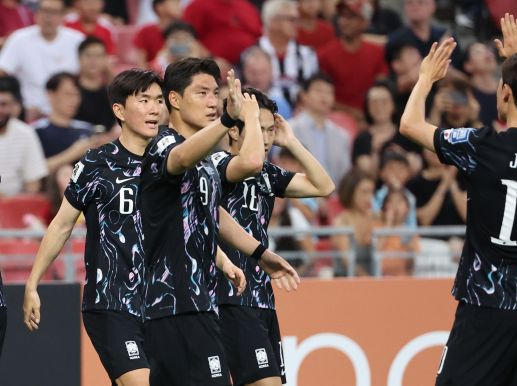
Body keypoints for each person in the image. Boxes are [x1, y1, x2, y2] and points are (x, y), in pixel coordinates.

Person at [399, 14, 517, 385]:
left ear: (506, 92)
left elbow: (410, 125)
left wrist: (425, 78)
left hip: (487, 308)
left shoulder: (483, 147)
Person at [139, 58, 299, 385]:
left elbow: (212, 213)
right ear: (175, 100)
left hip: (201, 302)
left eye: (215, 93)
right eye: (201, 93)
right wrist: (235, 118)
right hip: (171, 303)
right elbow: (186, 159)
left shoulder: (207, 165)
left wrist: (259, 253)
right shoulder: (164, 144)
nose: (212, 101)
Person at [23, 69, 173, 386]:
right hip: (111, 302)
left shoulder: (172, 163)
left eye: (159, 100)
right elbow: (62, 224)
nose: (154, 109)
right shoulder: (96, 164)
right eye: (144, 100)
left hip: (165, 303)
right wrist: (32, 282)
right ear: (119, 110)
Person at [212, 87, 333, 386]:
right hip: (230, 295)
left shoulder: (268, 174)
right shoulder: (216, 166)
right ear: (233, 132)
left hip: (263, 299)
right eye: (257, 128)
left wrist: (291, 142)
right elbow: (246, 164)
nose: (265, 138)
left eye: (269, 130)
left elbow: (324, 186)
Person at [0, 0, 85, 120]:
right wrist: (17, 106)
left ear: (63, 15)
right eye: (44, 11)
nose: (48, 17)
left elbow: (91, 79)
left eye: (54, 12)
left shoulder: (77, 40)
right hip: (30, 114)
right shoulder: (19, 39)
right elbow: (2, 72)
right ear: (36, 13)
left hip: (70, 114)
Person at [318, 0, 388, 122]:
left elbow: (382, 88)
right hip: (336, 119)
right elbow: (322, 95)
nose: (344, 21)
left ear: (365, 22)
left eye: (351, 17)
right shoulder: (325, 54)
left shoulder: (377, 52)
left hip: (372, 118)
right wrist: (355, 114)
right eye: (342, 16)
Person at [290, 73, 351, 184]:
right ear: (304, 95)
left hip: (333, 196)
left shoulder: (341, 136)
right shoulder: (290, 129)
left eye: (329, 92)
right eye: (318, 91)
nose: (324, 96)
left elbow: (345, 175)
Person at [258, 0, 318, 105]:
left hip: (300, 116)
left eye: (297, 19)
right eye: (292, 19)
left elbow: (314, 89)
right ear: (273, 21)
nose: (297, 24)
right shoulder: (252, 54)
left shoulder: (307, 55)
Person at [0, 78, 48, 197]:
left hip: (13, 206)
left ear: (14, 106)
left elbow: (33, 184)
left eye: (4, 104)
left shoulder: (25, 133)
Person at [75, 36, 116, 132]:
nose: (93, 61)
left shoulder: (111, 95)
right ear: (79, 59)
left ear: (105, 60)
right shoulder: (71, 93)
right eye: (88, 56)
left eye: (98, 56)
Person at [133, 0, 182, 67]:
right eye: (174, 2)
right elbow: (140, 65)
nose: (179, 6)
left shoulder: (184, 30)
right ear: (159, 7)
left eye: (179, 2)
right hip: (153, 74)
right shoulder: (146, 31)